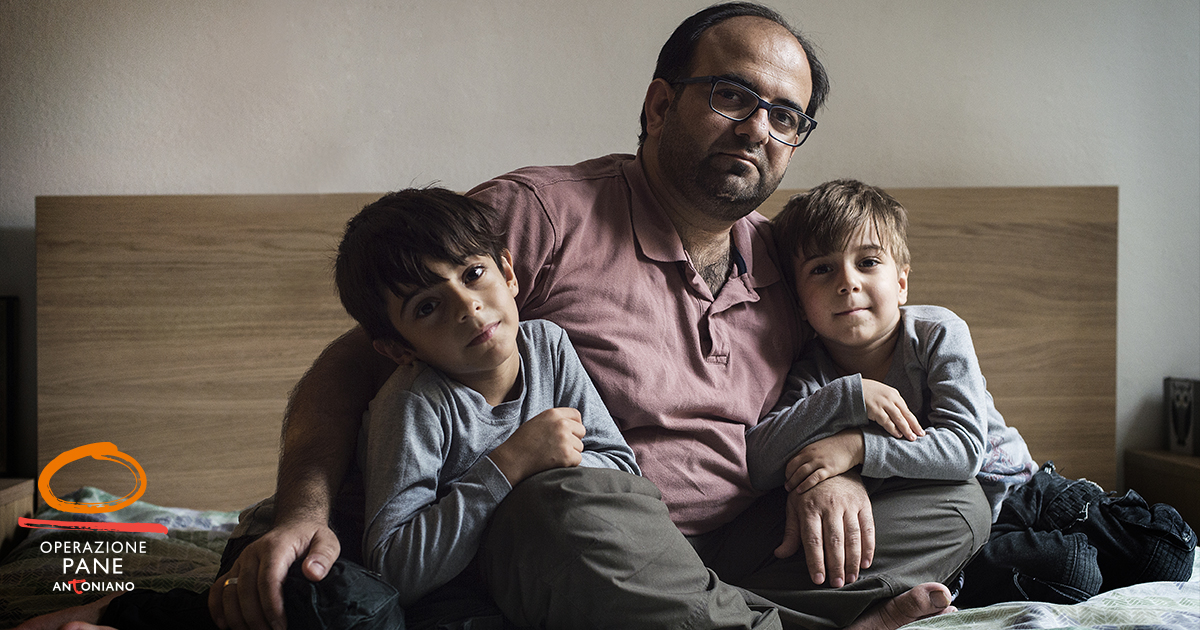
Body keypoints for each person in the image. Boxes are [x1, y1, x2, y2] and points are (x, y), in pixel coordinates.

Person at [16, 4, 989, 630]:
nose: (759, 128)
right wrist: (308, 514)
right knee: (573, 502)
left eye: (786, 116)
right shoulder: (537, 214)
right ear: (657, 103)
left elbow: (823, 394)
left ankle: (711, 619)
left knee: (961, 503)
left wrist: (836, 466)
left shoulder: (783, 257)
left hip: (716, 547)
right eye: (732, 95)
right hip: (558, 539)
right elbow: (353, 366)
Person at [339, 187, 639, 608]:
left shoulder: (548, 346)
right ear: (398, 349)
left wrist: (549, 471)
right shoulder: (415, 403)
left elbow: (624, 470)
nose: (468, 308)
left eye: (473, 274)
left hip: (568, 565)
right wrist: (510, 463)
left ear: (509, 273)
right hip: (478, 600)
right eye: (427, 307)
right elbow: (393, 567)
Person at [747, 178, 1037, 522]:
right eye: (822, 268)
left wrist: (856, 447)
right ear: (798, 303)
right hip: (943, 523)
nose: (847, 282)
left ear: (901, 284)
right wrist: (848, 397)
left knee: (1084, 553)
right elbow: (760, 462)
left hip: (1019, 491)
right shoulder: (813, 374)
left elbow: (964, 450)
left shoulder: (937, 333)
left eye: (867, 262)